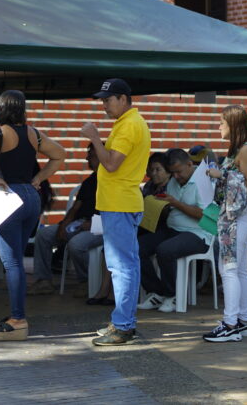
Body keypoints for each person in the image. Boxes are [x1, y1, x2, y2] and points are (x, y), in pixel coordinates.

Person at [0, 90, 66, 341]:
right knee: (16, 259)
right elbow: (59, 154)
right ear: (22, 109)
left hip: (8, 197)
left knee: (12, 262)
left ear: (0, 109)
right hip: (32, 198)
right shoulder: (33, 133)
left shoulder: (0, 133)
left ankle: (18, 318)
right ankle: (17, 314)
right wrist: (39, 178)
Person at [82, 78, 151, 347]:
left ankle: (123, 326)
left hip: (120, 203)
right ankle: (123, 322)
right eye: (102, 100)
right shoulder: (128, 123)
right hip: (119, 202)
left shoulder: (130, 125)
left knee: (123, 267)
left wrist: (95, 139)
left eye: (107, 100)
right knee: (123, 265)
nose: (104, 105)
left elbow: (110, 164)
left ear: (123, 99)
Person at [202, 105, 247, 342]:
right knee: (240, 270)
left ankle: (230, 323)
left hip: (239, 216)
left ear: (233, 125)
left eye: (222, 122)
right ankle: (244, 321)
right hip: (234, 216)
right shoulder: (238, 149)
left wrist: (221, 175)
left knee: (229, 270)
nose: (219, 126)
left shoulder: (246, 150)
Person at [136, 148, 212, 313]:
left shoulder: (203, 181)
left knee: (165, 249)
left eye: (179, 172)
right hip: (173, 229)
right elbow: (169, 207)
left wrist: (175, 203)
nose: (176, 177)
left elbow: (203, 215)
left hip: (198, 234)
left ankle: (172, 295)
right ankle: (156, 292)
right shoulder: (173, 182)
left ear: (190, 164)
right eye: (173, 173)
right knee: (136, 247)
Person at [28, 144, 102, 295]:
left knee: (77, 244)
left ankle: (86, 281)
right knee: (44, 235)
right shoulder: (89, 181)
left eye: (91, 154)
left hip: (103, 227)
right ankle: (44, 280)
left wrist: (93, 224)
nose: (87, 157)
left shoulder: (115, 181)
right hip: (80, 223)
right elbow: (76, 207)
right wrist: (63, 224)